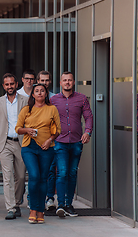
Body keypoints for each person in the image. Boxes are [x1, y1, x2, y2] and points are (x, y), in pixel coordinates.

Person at [16, 83, 61, 224]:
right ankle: (33, 209)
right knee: (34, 175)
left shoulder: (52, 109)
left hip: (46, 148)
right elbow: (18, 128)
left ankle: (41, 211)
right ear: (33, 95)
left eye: (42, 91)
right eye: (37, 91)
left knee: (43, 179)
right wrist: (27, 130)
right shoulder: (26, 109)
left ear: (46, 94)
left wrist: (50, 140)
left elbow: (58, 130)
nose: (40, 93)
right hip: (29, 147)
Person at [50, 72, 93, 218]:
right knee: (61, 172)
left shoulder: (81, 99)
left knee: (72, 173)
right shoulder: (53, 100)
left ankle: (69, 204)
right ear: (61, 83)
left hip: (76, 142)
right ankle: (61, 205)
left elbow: (88, 116)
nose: (67, 82)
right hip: (59, 142)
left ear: (73, 82)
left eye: (69, 80)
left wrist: (87, 132)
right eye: (64, 80)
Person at [0, 73, 28, 220]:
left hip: (22, 143)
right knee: (7, 176)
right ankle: (10, 208)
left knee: (21, 176)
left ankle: (17, 203)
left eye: (12, 84)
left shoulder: (25, 100)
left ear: (16, 84)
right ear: (3, 86)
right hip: (4, 143)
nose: (10, 86)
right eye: (7, 84)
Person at [37, 70, 57, 210]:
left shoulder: (55, 98)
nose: (45, 83)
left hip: (52, 140)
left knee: (50, 170)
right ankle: (34, 197)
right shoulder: (32, 99)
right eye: (42, 80)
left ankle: (50, 198)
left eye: (47, 80)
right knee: (36, 171)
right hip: (36, 140)